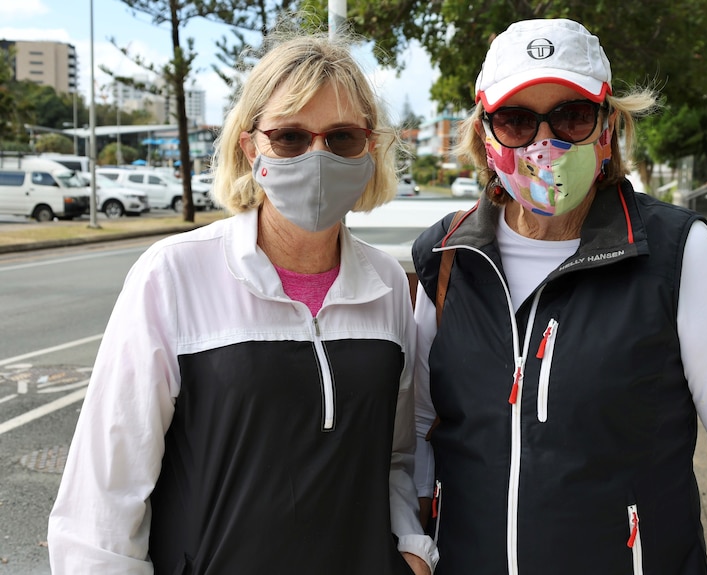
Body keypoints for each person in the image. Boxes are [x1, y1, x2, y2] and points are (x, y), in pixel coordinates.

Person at [48, 26, 437, 575]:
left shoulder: (387, 285)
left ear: (370, 149)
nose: (317, 156)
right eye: (291, 137)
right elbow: (105, 495)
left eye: (342, 138)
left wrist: (410, 547)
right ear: (249, 144)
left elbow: (395, 456)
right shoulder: (173, 275)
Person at [411, 18, 707, 575]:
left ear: (607, 128)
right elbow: (416, 434)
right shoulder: (446, 257)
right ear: (486, 137)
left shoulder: (677, 252)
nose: (545, 143)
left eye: (571, 116)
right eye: (515, 121)